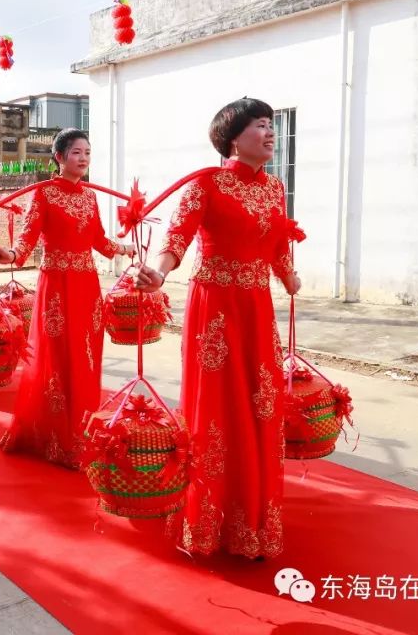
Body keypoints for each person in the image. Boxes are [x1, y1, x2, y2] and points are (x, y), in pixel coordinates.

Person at [132, 98, 300, 560]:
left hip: (257, 304)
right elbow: (176, 239)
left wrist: (287, 274)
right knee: (218, 406)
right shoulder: (204, 184)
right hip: (216, 308)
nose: (270, 133)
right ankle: (209, 519)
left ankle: (252, 516)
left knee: (259, 402)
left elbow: (278, 239)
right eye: (260, 125)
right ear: (233, 136)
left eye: (271, 125)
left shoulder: (274, 187)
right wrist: (158, 273)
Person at [0, 129, 133, 469]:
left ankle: (82, 430)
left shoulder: (89, 196)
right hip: (56, 285)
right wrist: (10, 255)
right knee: (57, 358)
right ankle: (55, 435)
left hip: (86, 285)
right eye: (76, 153)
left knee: (85, 356)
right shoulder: (44, 194)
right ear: (59, 157)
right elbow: (27, 240)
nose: (83, 158)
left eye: (87, 152)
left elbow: (98, 238)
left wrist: (125, 247)